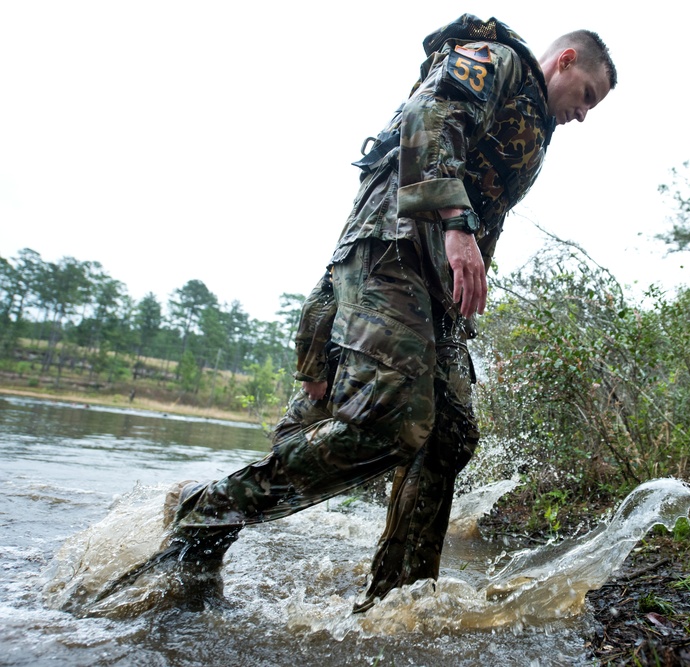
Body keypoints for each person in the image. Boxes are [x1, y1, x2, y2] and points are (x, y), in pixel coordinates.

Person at [111, 14, 616, 613]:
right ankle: (208, 513)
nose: (584, 113)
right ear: (564, 61)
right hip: (396, 249)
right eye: (587, 95)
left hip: (437, 285)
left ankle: (397, 604)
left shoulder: (532, 119)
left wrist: (462, 284)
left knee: (450, 437)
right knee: (391, 422)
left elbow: (486, 213)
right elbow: (426, 121)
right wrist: (455, 226)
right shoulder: (494, 61)